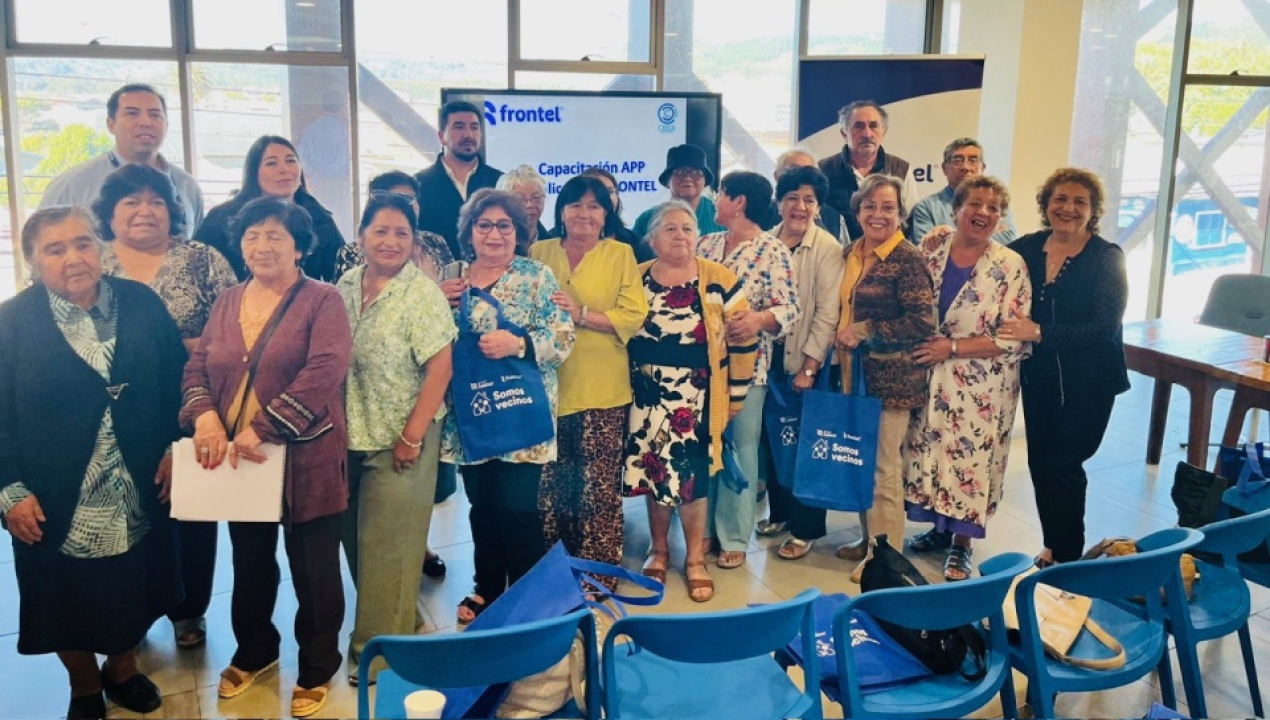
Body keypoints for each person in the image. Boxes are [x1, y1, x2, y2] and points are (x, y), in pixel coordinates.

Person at [1, 206, 186, 718]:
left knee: (136, 584)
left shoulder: (140, 302)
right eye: (55, 249)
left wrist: (177, 446)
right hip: (53, 492)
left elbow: (178, 379)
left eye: (83, 243)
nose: (73, 258)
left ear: (99, 247)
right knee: (62, 596)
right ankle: (84, 684)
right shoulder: (11, 322)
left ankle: (123, 670)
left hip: (138, 479)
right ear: (34, 261)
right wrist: (9, 489)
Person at [181, 198, 352, 716]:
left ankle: (317, 667)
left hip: (308, 458)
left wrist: (264, 427)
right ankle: (256, 651)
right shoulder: (227, 300)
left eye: (275, 236)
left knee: (314, 571)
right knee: (251, 563)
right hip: (242, 461)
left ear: (299, 247)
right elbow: (198, 366)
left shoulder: (322, 300)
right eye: (252, 235)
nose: (262, 245)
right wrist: (204, 417)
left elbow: (326, 370)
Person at [91, 164, 236, 651]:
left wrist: (197, 350)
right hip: (112, 414)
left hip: (192, 404)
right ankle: (133, 611)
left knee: (190, 511)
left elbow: (236, 330)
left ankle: (188, 608)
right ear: (110, 212)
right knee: (127, 510)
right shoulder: (92, 263)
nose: (144, 211)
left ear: (172, 210)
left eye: (156, 201)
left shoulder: (202, 259)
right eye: (131, 201)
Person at [439, 189, 575, 625]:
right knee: (482, 507)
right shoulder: (452, 279)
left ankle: (529, 597)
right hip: (471, 417)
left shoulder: (537, 276)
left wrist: (518, 344)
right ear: (470, 232)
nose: (494, 234)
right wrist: (438, 301)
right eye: (484, 225)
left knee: (520, 511)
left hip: (521, 416)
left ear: (519, 232)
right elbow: (431, 340)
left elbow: (563, 337)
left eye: (504, 226)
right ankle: (488, 588)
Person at [337, 195, 456, 685]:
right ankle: (400, 618)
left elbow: (440, 369)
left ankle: (376, 656)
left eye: (401, 233)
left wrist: (411, 436)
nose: (390, 241)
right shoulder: (346, 285)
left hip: (403, 435)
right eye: (380, 231)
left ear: (413, 241)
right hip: (350, 431)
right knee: (357, 541)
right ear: (361, 236)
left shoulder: (421, 294)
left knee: (389, 546)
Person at [626, 200, 756, 602]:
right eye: (670, 229)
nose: (680, 236)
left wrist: (735, 398)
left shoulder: (718, 278)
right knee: (655, 474)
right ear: (652, 239)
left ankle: (695, 558)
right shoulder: (636, 277)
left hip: (698, 395)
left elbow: (744, 340)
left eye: (687, 228)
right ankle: (659, 550)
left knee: (693, 480)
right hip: (645, 398)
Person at [904, 175, 1031, 582]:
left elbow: (1012, 337)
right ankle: (940, 529)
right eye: (975, 204)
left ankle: (962, 543)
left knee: (970, 462)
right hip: (930, 377)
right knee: (931, 454)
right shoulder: (932, 249)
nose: (983, 213)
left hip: (982, 386)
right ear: (956, 210)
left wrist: (953, 348)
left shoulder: (1010, 265)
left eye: (993, 208)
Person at [1000, 168, 1129, 567]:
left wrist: (1040, 332)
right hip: (1040, 378)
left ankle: (1068, 557)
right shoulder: (1027, 247)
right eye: (1060, 199)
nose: (1068, 208)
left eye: (1079, 202)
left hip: (1090, 382)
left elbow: (1104, 327)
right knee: (1040, 464)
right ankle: (1054, 545)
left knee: (1064, 464)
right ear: (1046, 204)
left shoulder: (1107, 258)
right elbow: (988, 260)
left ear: (1093, 210)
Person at [531, 175, 647, 585]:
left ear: (606, 213)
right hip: (547, 388)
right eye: (575, 204)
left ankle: (598, 573)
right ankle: (555, 572)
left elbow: (633, 315)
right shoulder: (540, 251)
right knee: (552, 488)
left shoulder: (620, 254)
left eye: (594, 206)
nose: (584, 213)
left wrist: (581, 314)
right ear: (561, 211)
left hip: (602, 389)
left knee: (597, 489)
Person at [830, 175, 935, 583]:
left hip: (891, 382)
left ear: (901, 214)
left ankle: (885, 559)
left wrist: (864, 329)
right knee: (862, 464)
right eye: (870, 206)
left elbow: (922, 322)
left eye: (888, 207)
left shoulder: (908, 260)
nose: (878, 214)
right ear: (857, 212)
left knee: (883, 471)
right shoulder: (851, 252)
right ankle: (869, 541)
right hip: (851, 375)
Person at [696, 171, 800, 570]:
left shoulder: (773, 251)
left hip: (747, 369)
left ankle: (735, 535)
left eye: (721, 193)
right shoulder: (706, 244)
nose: (715, 200)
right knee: (703, 445)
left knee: (740, 447)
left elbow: (790, 307)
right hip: (700, 368)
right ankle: (703, 529)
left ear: (738, 201)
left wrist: (759, 320)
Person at [756, 166, 846, 559]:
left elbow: (827, 313)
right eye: (792, 197)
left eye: (809, 200)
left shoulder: (826, 247)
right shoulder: (765, 241)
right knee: (773, 440)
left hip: (804, 360)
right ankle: (780, 513)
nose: (800, 206)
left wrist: (810, 366)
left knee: (807, 446)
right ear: (779, 202)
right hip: (765, 358)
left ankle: (806, 528)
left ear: (819, 207)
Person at [39, 83, 204, 234]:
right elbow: (41, 244)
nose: (145, 122)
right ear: (111, 124)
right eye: (132, 114)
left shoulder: (187, 186)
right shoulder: (73, 185)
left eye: (155, 115)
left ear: (166, 125)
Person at [193, 135, 347, 282]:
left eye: (291, 161)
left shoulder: (320, 218)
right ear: (254, 172)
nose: (284, 169)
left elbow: (343, 275)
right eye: (271, 163)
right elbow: (196, 268)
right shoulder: (222, 219)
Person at [818, 101, 920, 240]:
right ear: (844, 133)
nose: (867, 134)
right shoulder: (824, 170)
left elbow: (909, 223)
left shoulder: (901, 169)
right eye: (859, 126)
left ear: (883, 132)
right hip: (837, 252)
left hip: (888, 253)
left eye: (873, 126)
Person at [415, 101, 504, 259]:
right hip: (436, 273)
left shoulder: (500, 183)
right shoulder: (419, 184)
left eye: (474, 127)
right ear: (442, 137)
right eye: (459, 127)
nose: (468, 135)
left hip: (494, 272)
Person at [334, 171, 455, 282]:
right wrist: (438, 293)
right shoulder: (350, 253)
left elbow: (454, 278)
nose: (408, 205)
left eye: (412, 198)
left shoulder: (434, 241)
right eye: (399, 199)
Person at [910, 138, 1018, 244]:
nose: (965, 167)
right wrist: (987, 232)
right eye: (957, 161)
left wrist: (948, 234)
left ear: (983, 168)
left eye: (973, 161)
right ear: (944, 168)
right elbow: (927, 247)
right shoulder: (926, 207)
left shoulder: (996, 203)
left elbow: (1009, 239)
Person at [631, 144, 725, 242]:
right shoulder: (647, 219)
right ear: (667, 181)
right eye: (680, 172)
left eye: (696, 173)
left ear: (704, 181)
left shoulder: (720, 214)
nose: (688, 178)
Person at [761, 147, 847, 243]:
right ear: (777, 176)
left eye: (809, 172)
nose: (801, 178)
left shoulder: (834, 218)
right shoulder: (761, 213)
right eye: (794, 170)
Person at [580, 166, 648, 261]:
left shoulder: (635, 241)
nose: (606, 197)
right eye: (598, 191)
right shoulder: (561, 241)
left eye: (610, 191)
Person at [496, 164, 551, 248]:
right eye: (520, 199)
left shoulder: (552, 245)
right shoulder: (493, 242)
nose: (529, 205)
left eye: (536, 197)